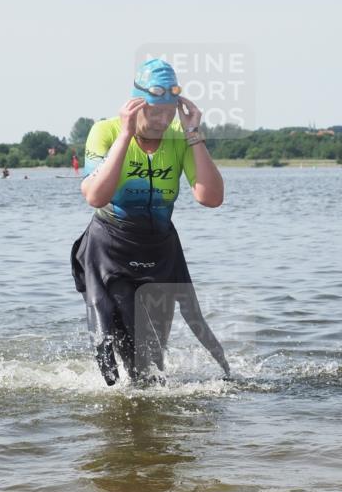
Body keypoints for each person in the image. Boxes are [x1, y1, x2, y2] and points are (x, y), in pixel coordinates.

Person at [71, 58, 230, 386]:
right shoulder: (106, 131)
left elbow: (210, 197)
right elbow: (95, 196)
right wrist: (126, 134)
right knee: (126, 347)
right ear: (135, 104)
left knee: (153, 361)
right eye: (154, 110)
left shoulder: (179, 137)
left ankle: (147, 425)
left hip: (159, 252)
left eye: (168, 110)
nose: (161, 119)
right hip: (111, 249)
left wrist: (193, 134)